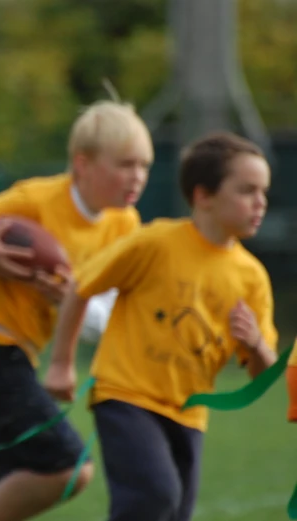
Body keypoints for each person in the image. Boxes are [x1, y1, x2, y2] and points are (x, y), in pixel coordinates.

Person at [0, 100, 152, 521]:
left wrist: (67, 299)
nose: (138, 177)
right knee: (64, 466)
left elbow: (109, 319)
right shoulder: (38, 199)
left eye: (144, 166)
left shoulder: (124, 225)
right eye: (126, 164)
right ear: (84, 164)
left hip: (8, 355)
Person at [45, 131, 279, 521]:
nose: (260, 203)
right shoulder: (155, 243)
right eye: (247, 190)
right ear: (203, 196)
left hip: (190, 414)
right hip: (126, 395)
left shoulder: (251, 278)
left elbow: (261, 377)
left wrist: (256, 344)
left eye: (263, 192)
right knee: (154, 497)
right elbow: (81, 288)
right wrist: (61, 363)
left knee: (172, 513)